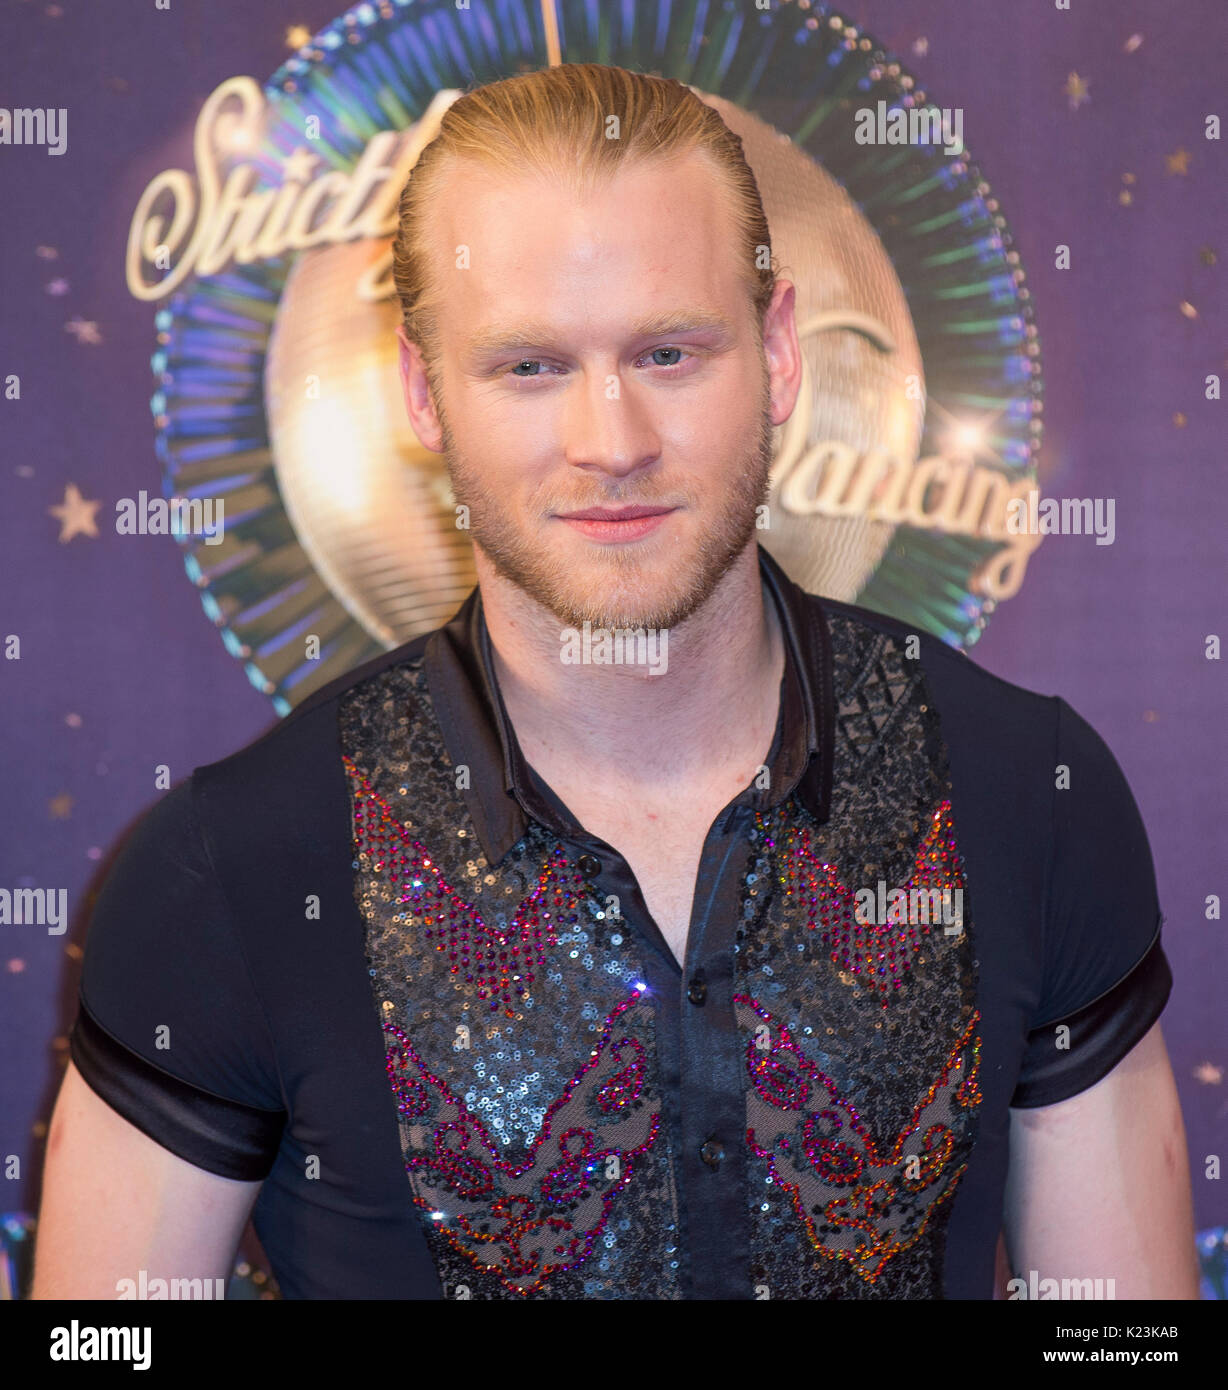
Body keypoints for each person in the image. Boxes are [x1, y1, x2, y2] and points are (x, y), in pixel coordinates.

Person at [33, 63, 1198, 1300]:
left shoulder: (1029, 795)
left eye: (668, 351)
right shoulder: (229, 871)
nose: (613, 441)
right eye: (529, 366)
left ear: (781, 351)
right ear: (425, 393)